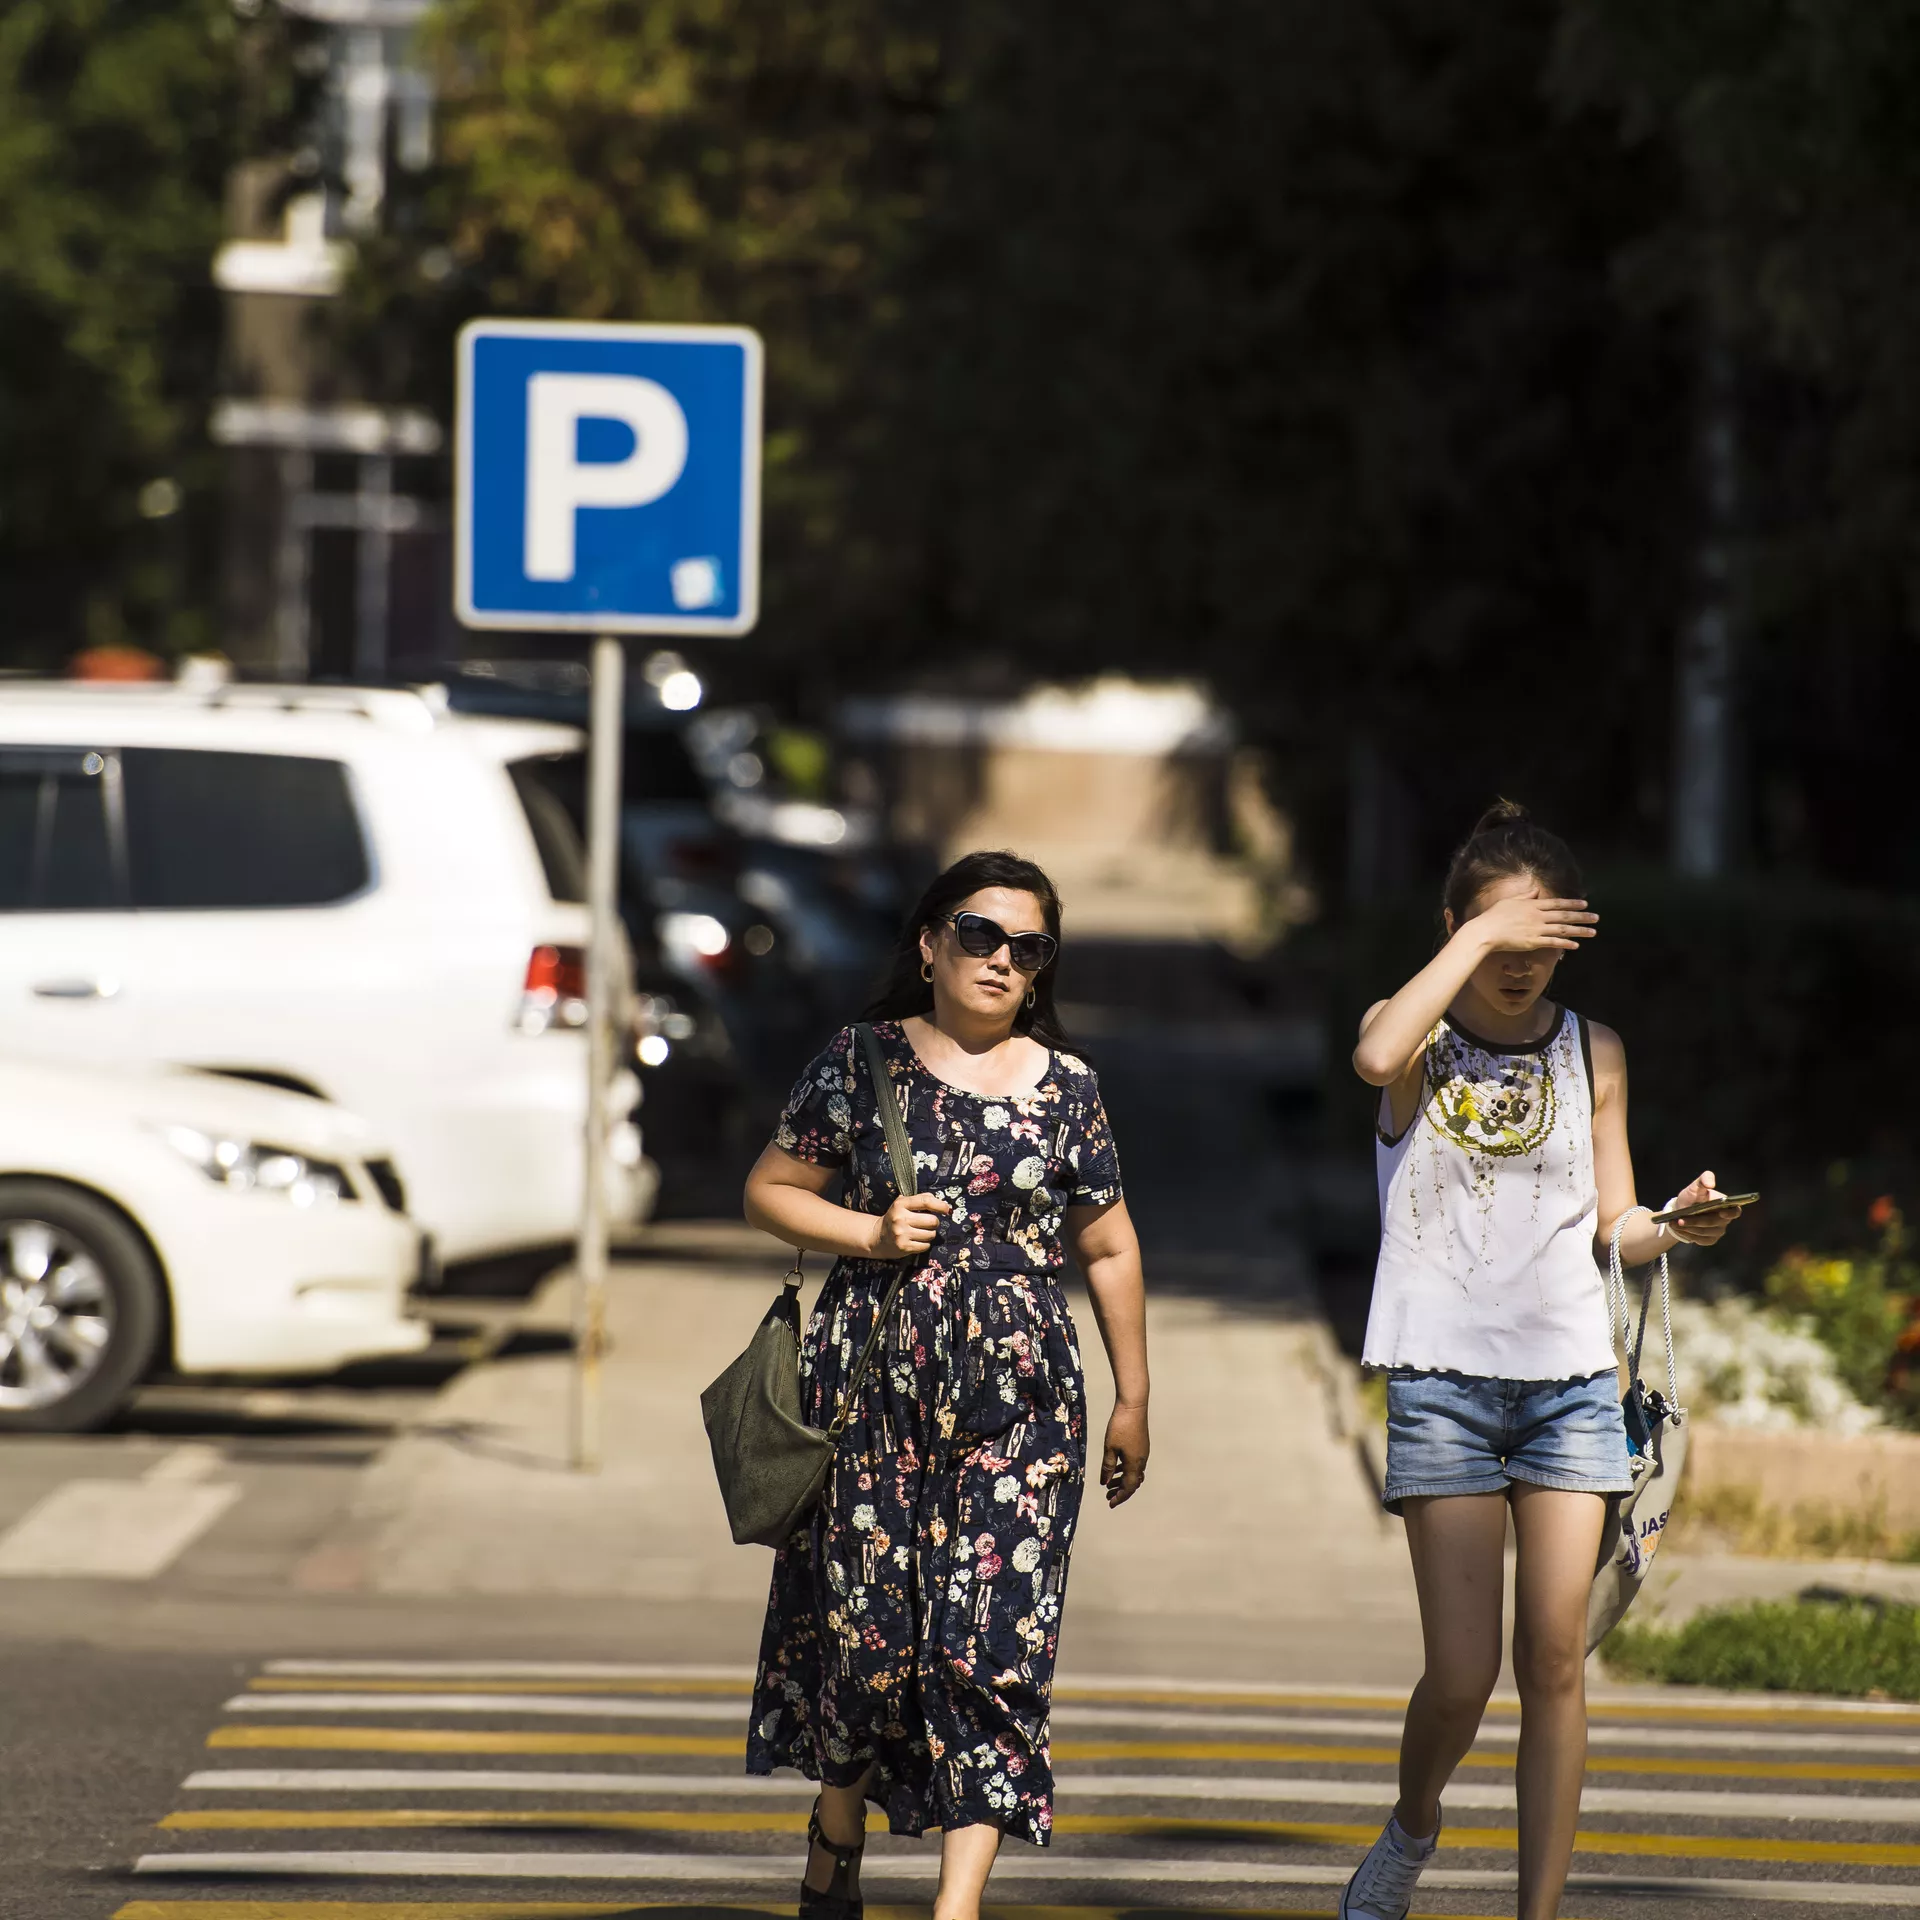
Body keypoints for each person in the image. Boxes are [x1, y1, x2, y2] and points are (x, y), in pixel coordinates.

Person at [1339, 801, 1746, 1920]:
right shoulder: (1411, 1034)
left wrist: (1676, 1224)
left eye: (1543, 944)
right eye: (1500, 942)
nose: (1521, 967)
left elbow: (1615, 1224)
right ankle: (1414, 1824)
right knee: (1461, 1675)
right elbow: (1372, 1056)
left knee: (1556, 1662)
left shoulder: (1594, 1049)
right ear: (1455, 930)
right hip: (1443, 1384)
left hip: (1572, 1384)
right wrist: (1478, 934)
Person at [741, 848, 1151, 1920]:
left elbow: (1109, 1246)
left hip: (1022, 1408)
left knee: (991, 1655)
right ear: (930, 945)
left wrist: (1134, 1396)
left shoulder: (1070, 1089)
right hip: (871, 1397)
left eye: (1030, 946)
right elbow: (771, 1191)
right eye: (980, 934)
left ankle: (954, 1907)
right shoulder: (862, 1059)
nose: (1003, 958)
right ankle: (837, 1828)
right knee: (867, 1653)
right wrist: (869, 1233)